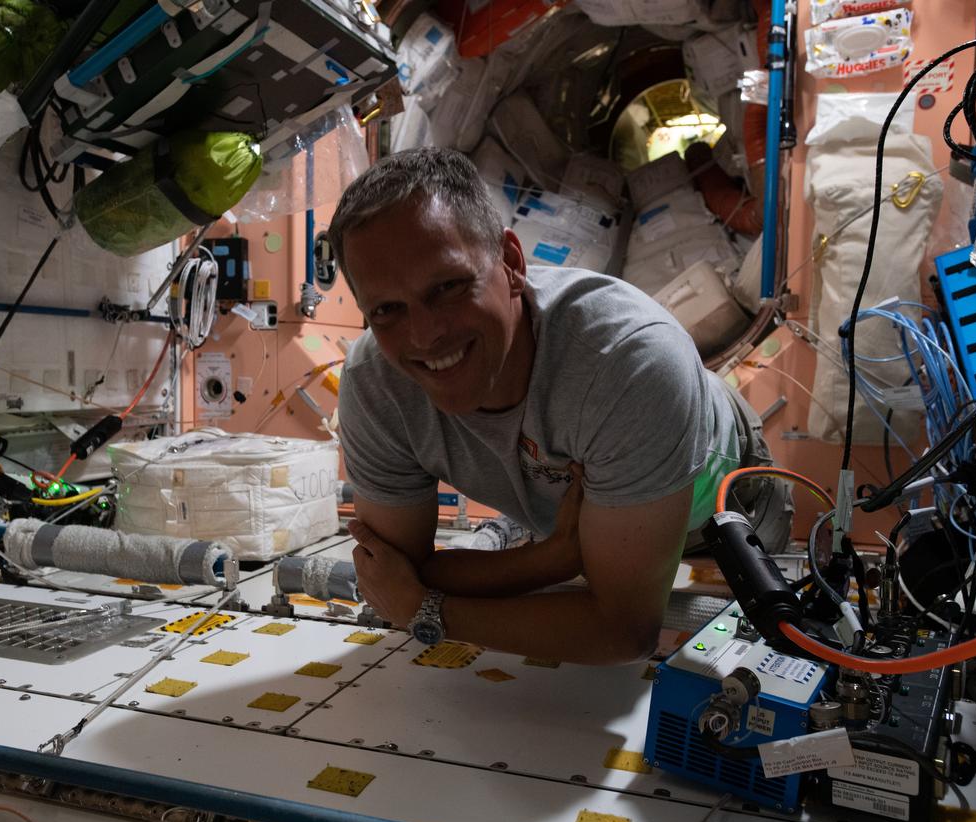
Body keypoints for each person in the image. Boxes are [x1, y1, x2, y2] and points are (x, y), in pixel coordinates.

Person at [329, 147, 790, 665]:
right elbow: (395, 572)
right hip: (568, 531)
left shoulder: (627, 363)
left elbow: (623, 631)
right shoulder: (376, 383)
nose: (426, 334)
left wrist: (427, 611)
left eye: (449, 287)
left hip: (724, 516)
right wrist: (551, 559)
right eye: (387, 309)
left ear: (510, 263)